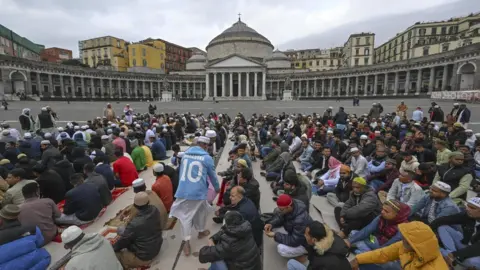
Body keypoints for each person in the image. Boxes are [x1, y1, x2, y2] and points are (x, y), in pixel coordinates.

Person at [170, 136, 220, 256]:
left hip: (184, 190)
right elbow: (212, 176)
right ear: (206, 146)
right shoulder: (207, 158)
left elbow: (182, 172)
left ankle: (201, 231)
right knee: (187, 217)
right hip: (197, 192)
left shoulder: (186, 155)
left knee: (201, 210)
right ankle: (186, 242)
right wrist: (217, 188)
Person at [350, 221, 449, 270]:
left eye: (408, 239)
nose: (403, 239)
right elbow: (383, 253)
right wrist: (358, 259)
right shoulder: (405, 245)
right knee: (363, 262)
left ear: (419, 243)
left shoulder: (434, 267)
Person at [346, 200, 410, 269]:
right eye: (382, 209)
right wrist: (349, 241)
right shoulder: (381, 217)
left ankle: (363, 253)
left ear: (397, 215)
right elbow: (367, 230)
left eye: (386, 211)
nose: (382, 212)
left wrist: (374, 255)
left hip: (387, 251)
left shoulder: (404, 228)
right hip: (375, 241)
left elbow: (388, 247)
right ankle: (363, 252)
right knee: (354, 233)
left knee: (386, 263)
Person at [113, 192, 163, 269]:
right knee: (121, 230)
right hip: (157, 246)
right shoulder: (154, 209)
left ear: (135, 206)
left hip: (144, 257)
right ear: (148, 202)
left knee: (115, 255)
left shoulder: (135, 224)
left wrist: (112, 249)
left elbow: (122, 242)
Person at [264, 194, 312, 258]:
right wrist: (271, 224)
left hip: (303, 243)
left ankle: (304, 252)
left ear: (289, 207)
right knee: (273, 229)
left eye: (281, 209)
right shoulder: (292, 206)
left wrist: (275, 235)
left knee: (281, 249)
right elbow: (280, 218)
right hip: (294, 232)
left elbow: (295, 241)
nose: (280, 210)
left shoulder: (300, 220)